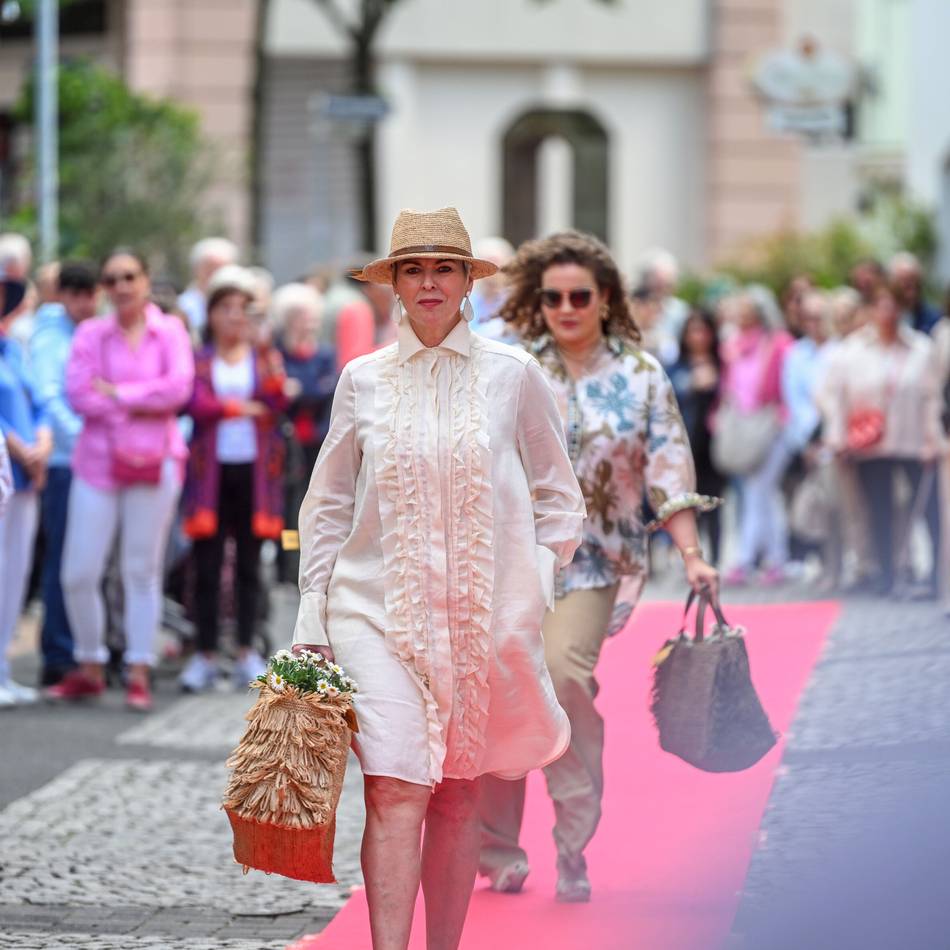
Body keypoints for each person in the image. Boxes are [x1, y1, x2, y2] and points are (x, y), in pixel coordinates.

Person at [291, 207, 586, 950]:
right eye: (413, 269)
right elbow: (326, 503)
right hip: (374, 611)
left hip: (477, 618)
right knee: (393, 786)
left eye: (443, 268)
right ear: (392, 283)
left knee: (456, 794)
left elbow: (559, 495)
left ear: (465, 283)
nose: (428, 282)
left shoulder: (512, 376)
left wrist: (535, 586)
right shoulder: (361, 381)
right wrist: (312, 612)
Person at [480, 230, 720, 903]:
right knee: (505, 688)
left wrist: (694, 557)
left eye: (578, 295)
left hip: (594, 561)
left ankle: (572, 843)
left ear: (605, 297)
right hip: (512, 559)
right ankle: (497, 849)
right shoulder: (513, 365)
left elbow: (670, 469)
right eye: (552, 296)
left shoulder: (641, 375)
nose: (564, 307)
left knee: (560, 677)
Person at [48, 249, 195, 711]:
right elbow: (78, 394)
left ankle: (137, 670)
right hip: (98, 462)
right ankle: (90, 664)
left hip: (154, 462)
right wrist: (141, 406)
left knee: (140, 571)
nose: (121, 286)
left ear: (146, 280)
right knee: (78, 572)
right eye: (112, 279)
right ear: (104, 288)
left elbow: (179, 389)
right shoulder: (92, 333)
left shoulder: (169, 330)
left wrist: (121, 394)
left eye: (130, 276)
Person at [178, 268, 289, 692]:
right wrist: (239, 408)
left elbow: (276, 400)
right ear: (212, 314)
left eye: (241, 310)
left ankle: (246, 650)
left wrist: (250, 395)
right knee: (205, 567)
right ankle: (204, 653)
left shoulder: (263, 356)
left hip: (255, 473)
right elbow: (196, 403)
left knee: (249, 566)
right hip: (211, 474)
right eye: (225, 309)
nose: (234, 318)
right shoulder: (201, 357)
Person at [822, 285, 943, 596]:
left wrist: (933, 439)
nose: (887, 314)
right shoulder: (852, 350)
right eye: (880, 306)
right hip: (870, 444)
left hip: (913, 440)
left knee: (926, 507)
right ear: (871, 310)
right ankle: (887, 574)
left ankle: (936, 574)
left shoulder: (921, 348)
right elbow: (834, 396)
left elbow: (932, 398)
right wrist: (837, 437)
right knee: (878, 510)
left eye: (893, 307)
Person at [29, 261, 100, 686]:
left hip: (90, 461)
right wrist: (85, 436)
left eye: (91, 293)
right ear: (63, 295)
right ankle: (58, 652)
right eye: (76, 293)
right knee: (62, 558)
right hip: (63, 462)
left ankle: (78, 647)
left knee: (84, 558)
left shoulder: (86, 332)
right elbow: (49, 398)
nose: (85, 302)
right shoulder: (50, 338)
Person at [0, 268, 51, 707]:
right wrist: (19, 446)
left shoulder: (14, 350)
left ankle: (2, 667)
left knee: (14, 573)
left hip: (23, 478)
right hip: (9, 466)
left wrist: (42, 443)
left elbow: (41, 403)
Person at [720, 288, 794, 586]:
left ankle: (745, 559)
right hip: (744, 429)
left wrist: (784, 419)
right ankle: (776, 558)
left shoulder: (779, 344)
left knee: (759, 491)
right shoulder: (734, 346)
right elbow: (731, 388)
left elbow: (788, 386)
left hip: (773, 427)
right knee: (761, 494)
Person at [273, 282, 338, 585]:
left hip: (316, 441)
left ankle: (314, 559)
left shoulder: (324, 354)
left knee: (315, 505)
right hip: (285, 443)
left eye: (313, 315)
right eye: (302, 314)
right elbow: (277, 393)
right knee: (288, 508)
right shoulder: (277, 353)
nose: (309, 321)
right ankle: (288, 560)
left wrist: (298, 390)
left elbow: (324, 389)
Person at [669, 309, 726, 564]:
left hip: (715, 445)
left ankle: (715, 557)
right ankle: (693, 556)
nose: (698, 336)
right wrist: (692, 383)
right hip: (686, 445)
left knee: (715, 503)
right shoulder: (677, 367)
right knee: (689, 505)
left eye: (703, 330)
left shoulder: (723, 364)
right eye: (693, 330)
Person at [177, 237, 239, 337]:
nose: (215, 275)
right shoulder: (183, 306)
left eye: (221, 269)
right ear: (196, 269)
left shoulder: (241, 307)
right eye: (210, 268)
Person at [889, 252, 941, 336]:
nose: (909, 284)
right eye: (903, 280)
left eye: (913, 279)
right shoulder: (882, 315)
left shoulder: (934, 318)